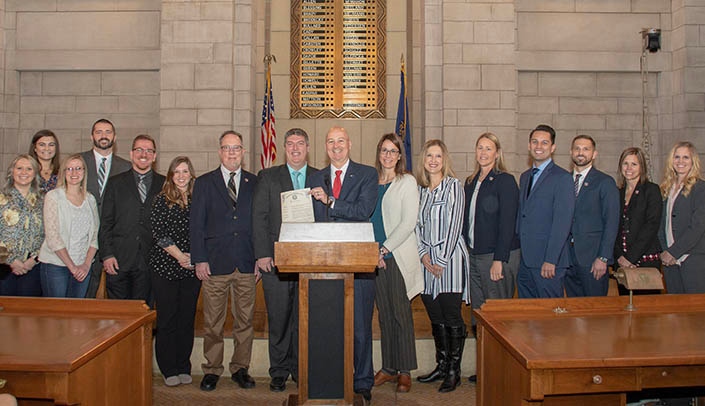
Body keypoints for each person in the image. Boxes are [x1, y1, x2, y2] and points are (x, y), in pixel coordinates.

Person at [309, 126, 378, 402]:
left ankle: (362, 380)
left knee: (360, 327)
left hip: (358, 263)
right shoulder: (315, 177)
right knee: (328, 325)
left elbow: (363, 211)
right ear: (325, 147)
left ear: (349, 144)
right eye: (330, 142)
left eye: (340, 141)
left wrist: (331, 201)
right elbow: (311, 219)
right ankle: (331, 378)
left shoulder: (366, 174)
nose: (335, 146)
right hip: (322, 263)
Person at [190, 130, 258, 392]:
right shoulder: (205, 183)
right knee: (213, 322)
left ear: (243, 152)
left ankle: (241, 368)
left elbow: (259, 223)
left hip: (246, 263)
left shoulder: (254, 182)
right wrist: (199, 259)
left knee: (245, 322)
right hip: (214, 265)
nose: (232, 152)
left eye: (237, 148)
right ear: (219, 151)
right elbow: (196, 225)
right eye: (227, 148)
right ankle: (212, 369)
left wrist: (259, 257)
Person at [252, 128, 317, 392]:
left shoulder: (319, 177)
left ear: (308, 147)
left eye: (300, 143)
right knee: (278, 318)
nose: (295, 148)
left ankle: (301, 369)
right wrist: (262, 253)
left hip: (311, 261)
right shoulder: (268, 177)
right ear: (284, 148)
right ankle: (278, 371)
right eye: (290, 144)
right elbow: (259, 217)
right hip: (276, 260)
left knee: (305, 319)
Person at [462, 132, 520, 383]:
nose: (483, 153)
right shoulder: (471, 181)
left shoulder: (505, 181)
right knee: (480, 316)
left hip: (496, 257)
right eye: (480, 148)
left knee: (499, 318)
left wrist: (499, 259)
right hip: (474, 256)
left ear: (497, 153)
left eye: (488, 148)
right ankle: (487, 367)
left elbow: (508, 223)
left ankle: (502, 372)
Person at [415, 139, 470, 393]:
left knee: (451, 315)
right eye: (429, 156)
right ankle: (441, 364)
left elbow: (455, 224)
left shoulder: (454, 187)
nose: (433, 161)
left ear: (444, 159)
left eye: (438, 156)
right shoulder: (421, 190)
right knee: (435, 316)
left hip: (450, 261)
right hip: (426, 262)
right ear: (423, 161)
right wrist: (424, 255)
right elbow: (416, 226)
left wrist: (441, 259)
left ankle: (454, 371)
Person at [370, 133, 422, 394]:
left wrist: (385, 248)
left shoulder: (407, 182)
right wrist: (373, 252)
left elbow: (408, 222)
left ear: (400, 155)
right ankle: (389, 367)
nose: (388, 155)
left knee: (401, 316)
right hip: (374, 260)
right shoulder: (372, 181)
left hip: (396, 258)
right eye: (384, 150)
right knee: (386, 316)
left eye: (393, 151)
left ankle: (404, 371)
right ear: (379, 153)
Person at [150, 156, 200, 387]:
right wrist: (180, 256)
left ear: (191, 174)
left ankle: (183, 365)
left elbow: (204, 230)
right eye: (176, 172)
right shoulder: (161, 200)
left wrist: (194, 257)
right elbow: (159, 234)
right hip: (166, 267)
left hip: (191, 269)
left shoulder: (198, 199)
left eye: (185, 171)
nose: (181, 176)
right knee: (167, 319)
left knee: (186, 319)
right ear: (170, 175)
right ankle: (168, 368)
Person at [99, 134, 165, 301]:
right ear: (131, 153)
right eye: (139, 150)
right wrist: (107, 255)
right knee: (118, 314)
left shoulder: (164, 184)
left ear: (155, 156)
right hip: (119, 260)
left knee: (144, 312)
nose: (144, 154)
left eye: (149, 150)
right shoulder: (115, 183)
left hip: (151, 261)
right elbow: (106, 222)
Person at [516, 124, 575, 298]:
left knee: (549, 318)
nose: (538, 147)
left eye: (544, 143)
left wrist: (551, 259)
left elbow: (562, 223)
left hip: (548, 262)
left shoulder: (562, 178)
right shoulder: (525, 177)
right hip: (526, 260)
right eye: (535, 142)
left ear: (553, 148)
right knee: (528, 313)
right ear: (529, 146)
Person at [81, 118, 131, 298]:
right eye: (99, 132)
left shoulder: (126, 166)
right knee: (84, 292)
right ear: (91, 136)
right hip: (84, 239)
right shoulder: (79, 162)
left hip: (114, 240)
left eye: (108, 132)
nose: (104, 136)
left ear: (115, 137)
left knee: (116, 295)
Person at [565, 135, 620, 297]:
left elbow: (611, 222)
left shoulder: (605, 182)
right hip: (567, 259)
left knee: (595, 312)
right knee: (573, 310)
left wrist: (603, 257)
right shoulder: (563, 180)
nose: (580, 152)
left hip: (592, 259)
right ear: (571, 152)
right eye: (577, 148)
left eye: (586, 149)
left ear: (594, 154)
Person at [38, 154, 99, 298]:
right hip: (56, 265)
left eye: (78, 168)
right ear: (63, 172)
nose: (74, 173)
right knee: (56, 315)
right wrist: (72, 267)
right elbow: (53, 237)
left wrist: (85, 265)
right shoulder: (53, 197)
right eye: (69, 169)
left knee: (76, 315)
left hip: (83, 267)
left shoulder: (90, 199)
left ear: (84, 172)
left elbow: (94, 236)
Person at [613, 148, 662, 294]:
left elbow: (651, 226)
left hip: (644, 260)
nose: (629, 168)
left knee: (647, 311)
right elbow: (612, 226)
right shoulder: (617, 193)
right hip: (621, 262)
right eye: (625, 164)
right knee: (626, 309)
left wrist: (630, 258)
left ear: (642, 167)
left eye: (634, 164)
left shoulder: (651, 190)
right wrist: (620, 257)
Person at [659, 141, 705, 294]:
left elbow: (698, 227)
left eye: (686, 157)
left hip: (692, 259)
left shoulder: (700, 188)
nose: (680, 161)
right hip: (669, 261)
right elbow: (661, 225)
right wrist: (666, 252)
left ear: (693, 161)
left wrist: (674, 252)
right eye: (677, 157)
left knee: (695, 310)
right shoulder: (666, 188)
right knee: (674, 311)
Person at [0, 155, 43, 296]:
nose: (23, 172)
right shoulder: (2, 199)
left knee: (29, 314)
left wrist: (34, 259)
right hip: (4, 267)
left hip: (33, 266)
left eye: (29, 169)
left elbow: (49, 234)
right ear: (12, 172)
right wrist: (11, 260)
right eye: (19, 168)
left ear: (35, 173)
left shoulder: (43, 201)